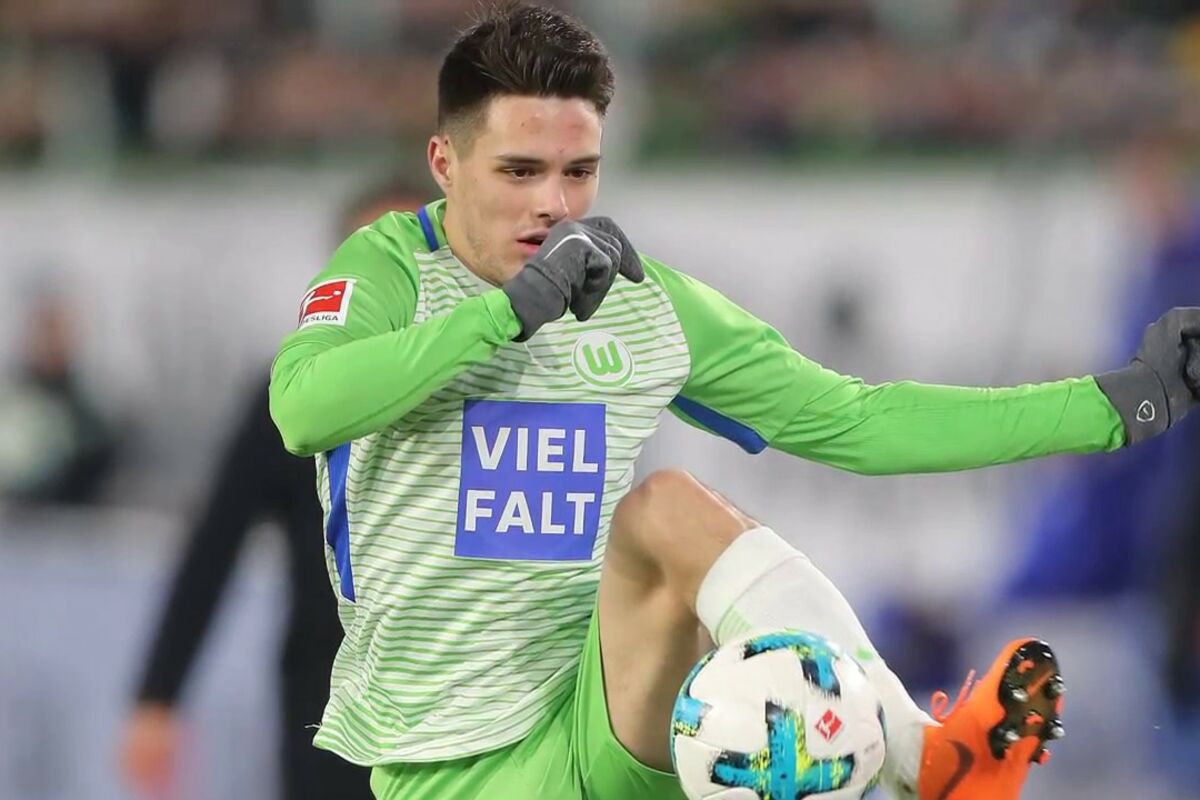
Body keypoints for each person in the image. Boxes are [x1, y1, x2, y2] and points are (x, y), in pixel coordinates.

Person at [268, 5, 1200, 799]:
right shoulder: (390, 268)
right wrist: (506, 316)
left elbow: (859, 420)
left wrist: (1116, 404)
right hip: (445, 765)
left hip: (604, 714)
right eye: (520, 172)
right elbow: (303, 408)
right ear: (444, 162)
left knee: (666, 510)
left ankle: (927, 759)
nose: (554, 204)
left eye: (578, 171)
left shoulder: (640, 304)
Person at [119, 176, 429, 800]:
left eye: (414, 258)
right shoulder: (290, 401)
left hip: (466, 716)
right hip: (329, 711)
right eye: (374, 257)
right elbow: (215, 545)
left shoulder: (502, 393)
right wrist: (159, 694)